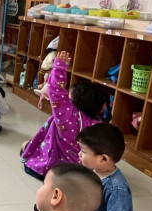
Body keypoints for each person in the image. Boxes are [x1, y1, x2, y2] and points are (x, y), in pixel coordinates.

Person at [21, 51, 107, 180]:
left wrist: (60, 66)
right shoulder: (99, 126)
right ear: (102, 107)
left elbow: (55, 89)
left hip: (46, 168)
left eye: (68, 97)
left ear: (73, 103)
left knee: (25, 144)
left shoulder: (67, 114)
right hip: (76, 173)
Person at [77, 123, 134, 211]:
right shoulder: (95, 170)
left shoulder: (117, 189)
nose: (79, 154)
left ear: (103, 159)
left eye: (83, 151)